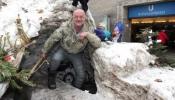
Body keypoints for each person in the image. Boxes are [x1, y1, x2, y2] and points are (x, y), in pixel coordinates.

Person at [42, 9, 101, 89]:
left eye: (81, 17)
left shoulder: (89, 28)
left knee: (81, 75)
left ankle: (75, 89)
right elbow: (53, 38)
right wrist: (44, 51)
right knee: (55, 59)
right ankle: (51, 76)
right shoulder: (65, 27)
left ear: (85, 18)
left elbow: (98, 44)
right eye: (76, 17)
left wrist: (87, 35)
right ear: (72, 18)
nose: (78, 19)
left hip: (76, 53)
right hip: (64, 50)